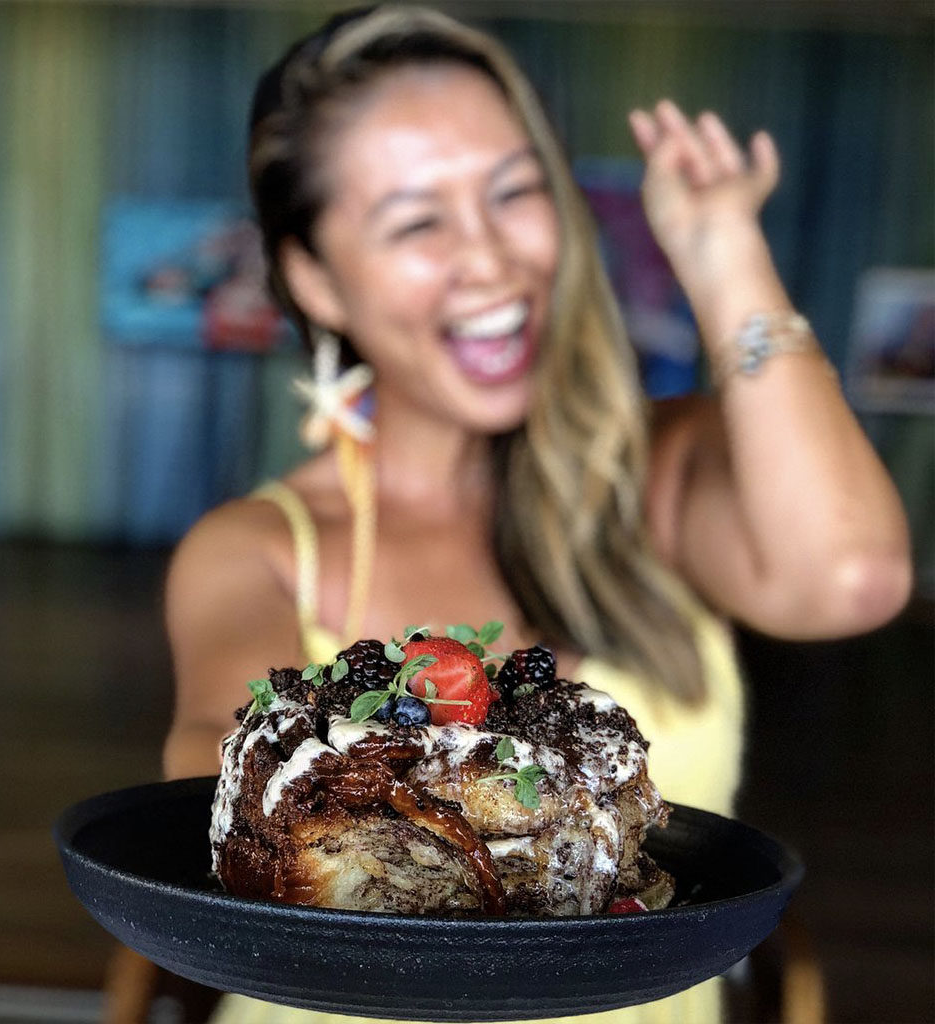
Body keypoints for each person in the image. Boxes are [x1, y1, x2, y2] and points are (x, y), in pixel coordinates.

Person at [161, 5, 911, 1022]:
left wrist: (723, 251)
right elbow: (214, 769)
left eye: (515, 192)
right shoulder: (256, 549)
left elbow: (849, 577)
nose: (489, 259)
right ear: (312, 276)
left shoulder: (665, 470)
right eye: (417, 219)